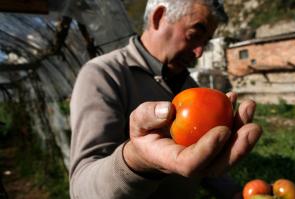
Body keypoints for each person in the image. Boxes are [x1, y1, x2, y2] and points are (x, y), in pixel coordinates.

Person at [69, 0, 262, 198]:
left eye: (205, 43)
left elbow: (202, 155)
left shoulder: (190, 87)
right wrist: (136, 162)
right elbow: (81, 188)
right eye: (195, 35)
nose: (199, 52)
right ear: (159, 16)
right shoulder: (103, 75)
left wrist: (235, 193)